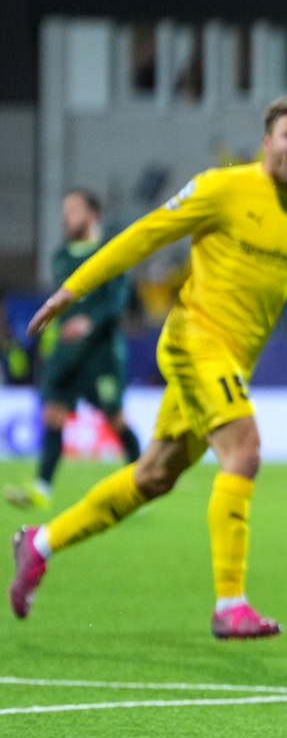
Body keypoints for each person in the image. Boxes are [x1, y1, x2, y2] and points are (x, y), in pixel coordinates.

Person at [10, 94, 287, 639]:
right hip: (194, 340)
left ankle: (40, 543)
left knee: (154, 477)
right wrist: (73, 289)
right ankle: (230, 604)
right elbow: (145, 236)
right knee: (246, 450)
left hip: (232, 360)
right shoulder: (220, 188)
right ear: (267, 141)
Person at [5, 190, 142, 512]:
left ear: (94, 215)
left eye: (74, 210)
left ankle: (141, 485)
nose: (66, 216)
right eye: (65, 210)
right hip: (67, 353)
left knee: (116, 419)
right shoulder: (61, 256)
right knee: (52, 414)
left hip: (101, 352)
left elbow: (117, 300)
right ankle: (42, 488)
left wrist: (89, 321)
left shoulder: (111, 253)